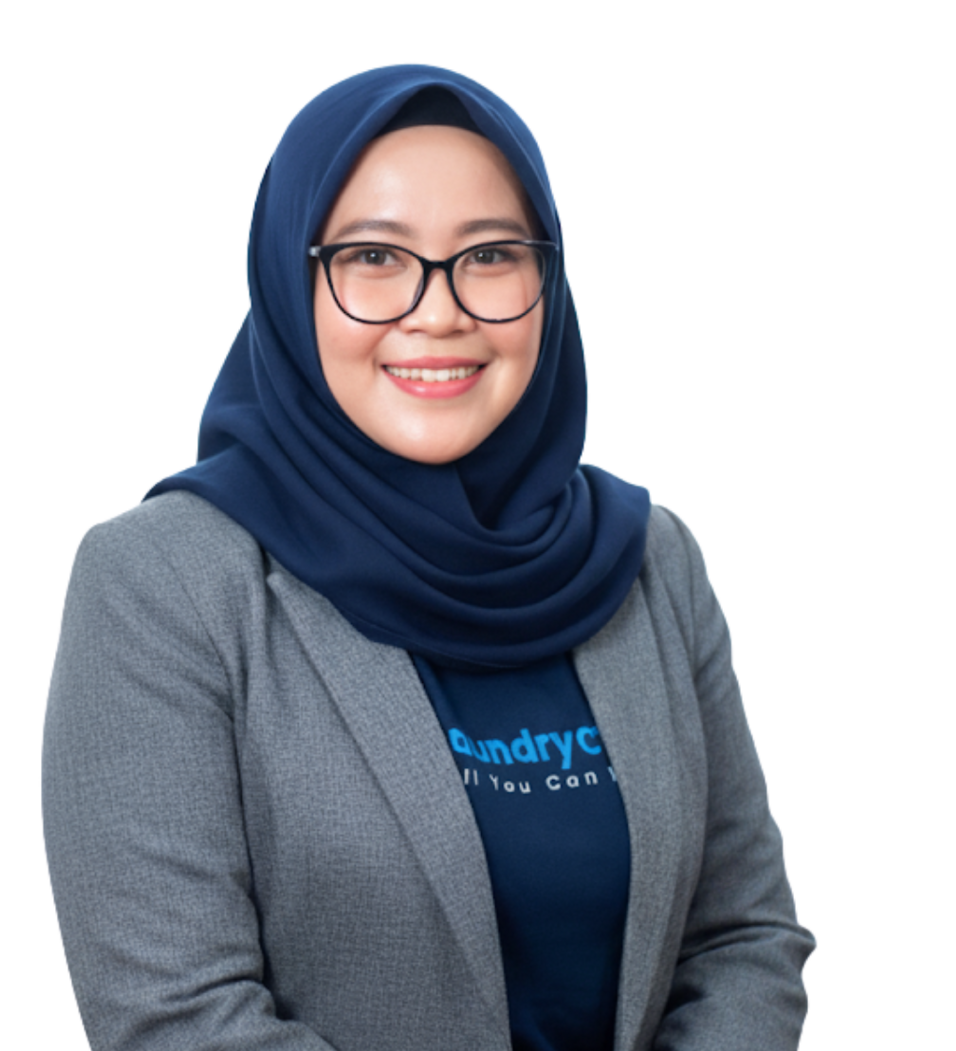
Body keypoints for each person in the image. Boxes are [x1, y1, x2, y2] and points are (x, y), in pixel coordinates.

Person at [40, 64, 818, 1051]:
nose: (439, 310)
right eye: (373, 255)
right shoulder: (162, 583)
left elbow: (745, 936)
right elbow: (174, 1014)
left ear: (550, 280)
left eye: (490, 254)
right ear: (287, 279)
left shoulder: (651, 559)